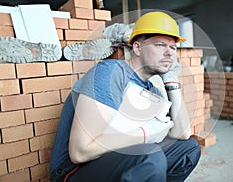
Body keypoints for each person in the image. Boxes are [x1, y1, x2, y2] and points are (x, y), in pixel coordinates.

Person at [49, 11, 201, 182]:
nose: (170, 53)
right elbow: (80, 151)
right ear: (137, 47)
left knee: (189, 149)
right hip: (74, 171)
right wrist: (145, 134)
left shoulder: (151, 90)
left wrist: (172, 83)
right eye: (160, 45)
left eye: (173, 47)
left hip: (117, 159)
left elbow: (182, 133)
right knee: (150, 156)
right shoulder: (110, 73)